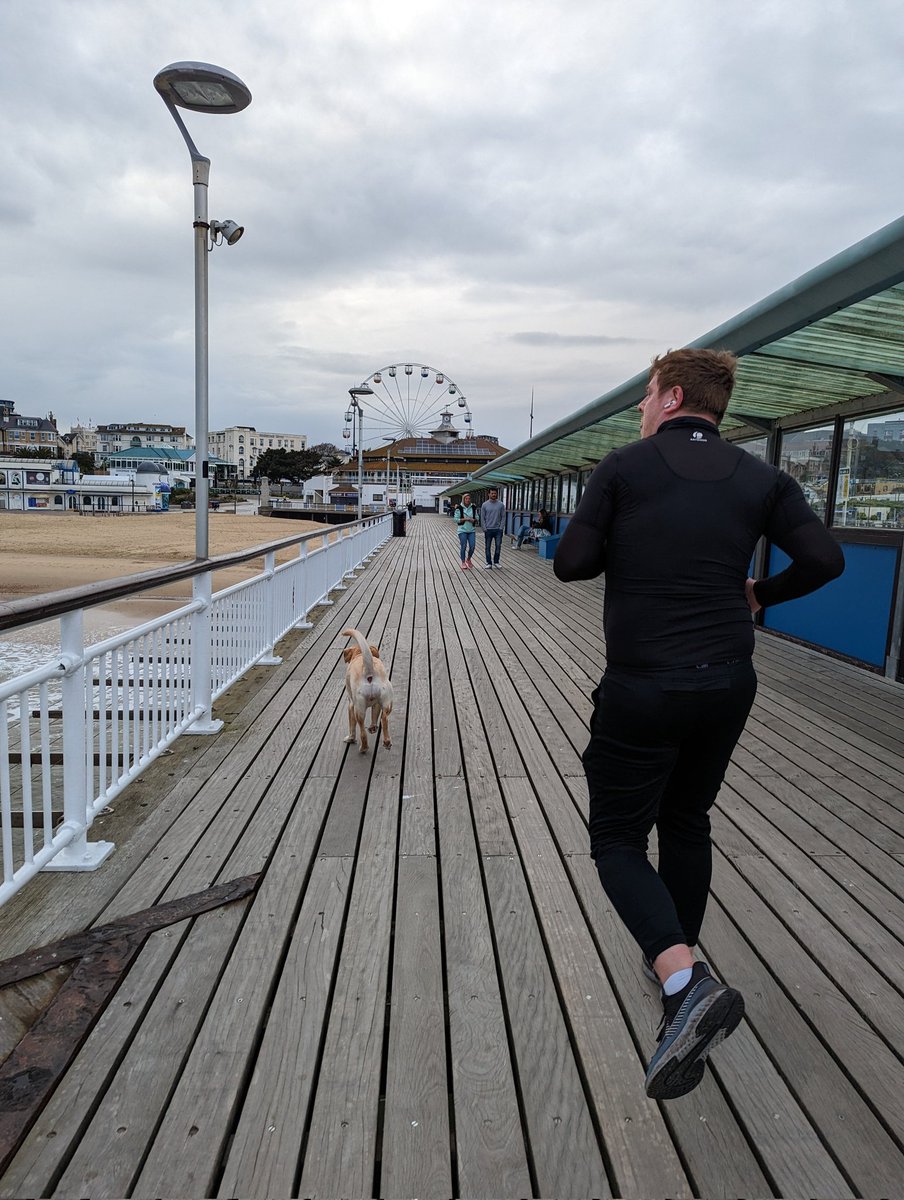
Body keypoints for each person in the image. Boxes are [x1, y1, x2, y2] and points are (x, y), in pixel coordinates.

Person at [554, 348, 844, 1100]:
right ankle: (680, 965)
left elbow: (573, 565)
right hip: (728, 682)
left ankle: (684, 983)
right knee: (687, 817)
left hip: (644, 684)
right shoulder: (762, 478)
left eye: (646, 395)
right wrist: (757, 593)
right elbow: (825, 559)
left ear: (673, 394)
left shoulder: (624, 466)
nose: (641, 409)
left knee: (617, 837)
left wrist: (626, 535)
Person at [479, 487, 506, 568]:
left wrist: (501, 528)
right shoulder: (484, 505)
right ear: (489, 494)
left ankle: (496, 562)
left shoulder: (501, 504)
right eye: (492, 493)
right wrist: (484, 528)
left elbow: (503, 517)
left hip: (498, 530)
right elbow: (482, 517)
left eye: (495, 493)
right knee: (487, 547)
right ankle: (489, 563)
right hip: (488, 529)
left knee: (498, 546)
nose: (494, 495)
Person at [452, 492, 479, 570]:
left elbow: (477, 517)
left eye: (469, 498)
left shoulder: (473, 507)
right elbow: (455, 519)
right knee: (463, 546)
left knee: (472, 546)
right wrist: (466, 519)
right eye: (466, 499)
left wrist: (474, 520)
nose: (468, 500)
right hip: (462, 530)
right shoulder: (459, 508)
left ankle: (468, 559)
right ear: (463, 499)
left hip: (471, 530)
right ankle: (463, 562)